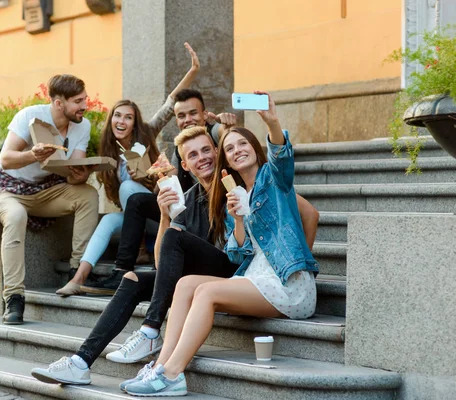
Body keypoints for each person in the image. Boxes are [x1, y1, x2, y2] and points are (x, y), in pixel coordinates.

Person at [30, 125, 318, 387]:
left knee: (181, 258)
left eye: (207, 150)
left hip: (238, 271)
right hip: (212, 273)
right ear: (185, 164)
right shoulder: (189, 198)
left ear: (218, 155)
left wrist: (289, 261)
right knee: (133, 277)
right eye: (193, 155)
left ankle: (152, 332)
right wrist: (166, 216)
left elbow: (307, 212)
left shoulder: (242, 185)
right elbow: (162, 263)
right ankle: (82, 361)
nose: (202, 158)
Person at [123, 93, 320, 397]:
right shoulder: (235, 194)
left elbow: (282, 156)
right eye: (230, 148)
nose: (237, 150)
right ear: (225, 160)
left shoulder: (275, 180)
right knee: (187, 283)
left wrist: (272, 122)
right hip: (255, 277)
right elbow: (238, 253)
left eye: (243, 144)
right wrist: (238, 219)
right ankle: (158, 367)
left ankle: (173, 374)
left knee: (208, 291)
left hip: (288, 284)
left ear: (256, 148)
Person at [81, 88, 319, 295]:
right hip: (193, 222)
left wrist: (298, 261)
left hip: (226, 256)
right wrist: (163, 197)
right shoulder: (180, 152)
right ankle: (105, 277)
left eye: (193, 113)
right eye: (181, 116)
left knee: (174, 257)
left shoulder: (250, 175)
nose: (187, 120)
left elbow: (308, 212)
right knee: (136, 269)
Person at [55, 43, 201, 296]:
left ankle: (140, 252)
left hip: (160, 214)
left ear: (135, 123)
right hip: (134, 219)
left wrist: (193, 70)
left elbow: (170, 103)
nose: (121, 121)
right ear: (112, 119)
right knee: (110, 220)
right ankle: (78, 278)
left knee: (130, 186)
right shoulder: (108, 154)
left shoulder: (146, 135)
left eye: (128, 117)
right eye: (117, 116)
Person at [0, 74, 99, 325]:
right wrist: (33, 154)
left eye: (84, 99)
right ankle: (14, 297)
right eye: (77, 101)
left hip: (47, 190)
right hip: (7, 189)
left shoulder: (82, 126)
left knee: (88, 194)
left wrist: (80, 174)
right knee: (16, 215)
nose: (84, 106)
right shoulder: (29, 117)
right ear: (58, 103)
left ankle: (77, 271)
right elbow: (7, 159)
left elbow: (71, 172)